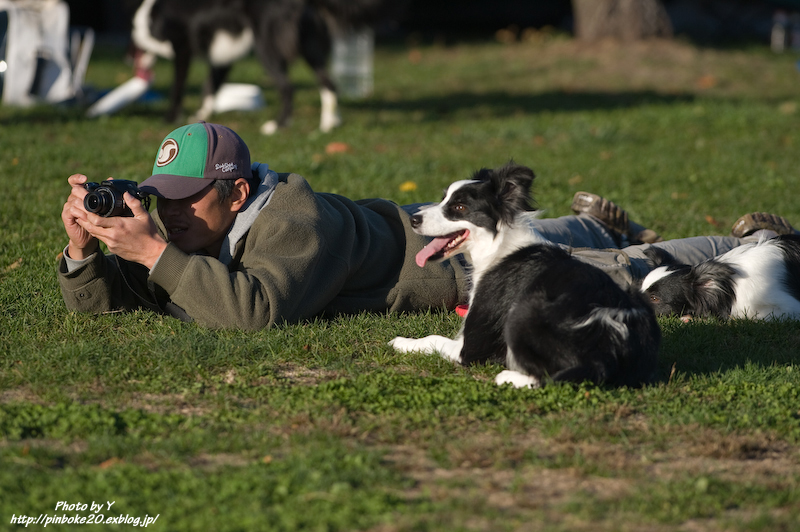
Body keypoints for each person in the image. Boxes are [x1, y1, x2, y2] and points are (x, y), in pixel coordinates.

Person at [58, 121, 796, 330]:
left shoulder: (290, 220)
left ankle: (756, 245)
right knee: (594, 244)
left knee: (625, 272)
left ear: (239, 190)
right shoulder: (202, 235)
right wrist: (84, 250)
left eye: (187, 199)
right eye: (164, 198)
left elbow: (251, 313)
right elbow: (137, 296)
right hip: (429, 239)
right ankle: (602, 225)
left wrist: (154, 247)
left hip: (447, 263)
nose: (172, 213)